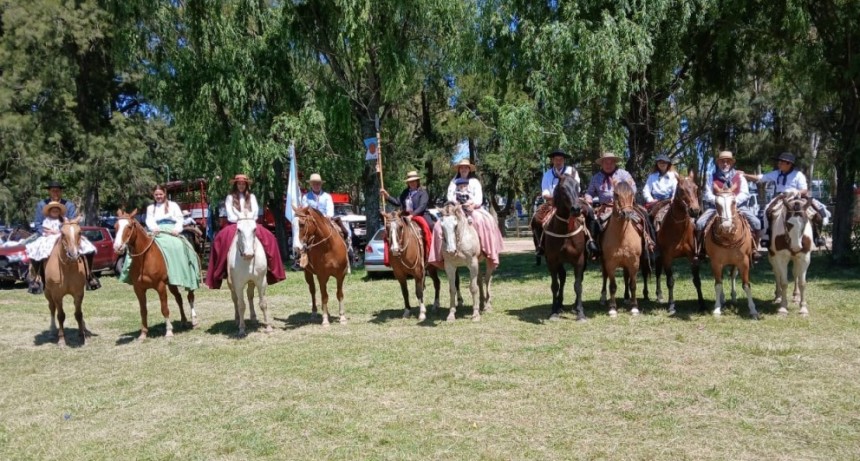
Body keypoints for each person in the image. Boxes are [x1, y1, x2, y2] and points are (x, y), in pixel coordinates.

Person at [204, 174, 285, 289]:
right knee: (220, 239)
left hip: (251, 222)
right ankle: (220, 271)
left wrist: (249, 218)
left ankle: (273, 270)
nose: (241, 186)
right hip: (235, 223)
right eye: (239, 184)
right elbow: (230, 214)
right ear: (236, 185)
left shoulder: (251, 197)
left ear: (246, 185)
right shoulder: (230, 197)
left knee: (270, 238)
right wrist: (241, 218)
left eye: (243, 184)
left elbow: (256, 211)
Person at [118, 184, 201, 289]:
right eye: (156, 194)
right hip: (156, 230)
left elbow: (180, 219)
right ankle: (131, 272)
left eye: (160, 194)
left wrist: (176, 229)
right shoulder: (151, 208)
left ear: (164, 193)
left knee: (178, 245)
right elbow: (149, 220)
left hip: (171, 229)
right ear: (153, 195)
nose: (158, 196)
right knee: (137, 246)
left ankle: (180, 273)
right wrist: (154, 228)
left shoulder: (173, 205)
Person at [429, 160, 504, 271]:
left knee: (481, 220)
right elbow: (450, 196)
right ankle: (440, 255)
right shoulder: (453, 182)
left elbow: (479, 197)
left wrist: (472, 204)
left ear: (469, 169)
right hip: (456, 209)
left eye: (466, 167)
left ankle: (485, 249)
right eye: (461, 168)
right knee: (438, 226)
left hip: (472, 208)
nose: (463, 169)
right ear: (459, 169)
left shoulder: (474, 182)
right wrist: (455, 205)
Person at [744, 152, 830, 247]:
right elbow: (761, 178)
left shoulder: (798, 175)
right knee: (767, 210)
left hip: (797, 197)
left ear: (789, 164)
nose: (779, 163)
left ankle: (817, 236)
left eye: (782, 162)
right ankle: (767, 234)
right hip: (781, 197)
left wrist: (796, 192)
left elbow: (804, 190)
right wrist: (744, 175)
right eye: (779, 161)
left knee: (818, 210)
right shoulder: (776, 173)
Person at [584, 152, 654, 259]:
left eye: (611, 162)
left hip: (625, 205)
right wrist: (588, 198)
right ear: (602, 164)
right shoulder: (596, 177)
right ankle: (594, 247)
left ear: (615, 163)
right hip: (605, 207)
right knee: (593, 222)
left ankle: (649, 244)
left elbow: (633, 188)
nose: (608, 165)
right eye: (606, 162)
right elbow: (590, 192)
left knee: (643, 216)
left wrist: (622, 193)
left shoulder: (624, 174)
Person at [695, 151, 761, 258]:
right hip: (716, 207)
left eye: (727, 161)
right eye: (722, 161)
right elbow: (707, 194)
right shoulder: (712, 177)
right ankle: (701, 249)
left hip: (738, 206)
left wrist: (732, 202)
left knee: (756, 222)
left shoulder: (740, 176)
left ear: (731, 163)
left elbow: (745, 193)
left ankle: (754, 249)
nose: (725, 164)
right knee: (699, 223)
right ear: (718, 163)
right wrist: (719, 201)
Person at [26, 201, 98, 293]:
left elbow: (70, 229)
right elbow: (45, 230)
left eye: (57, 209)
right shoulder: (47, 220)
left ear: (60, 211)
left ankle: (89, 275)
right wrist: (50, 232)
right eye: (53, 210)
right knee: (36, 249)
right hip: (49, 238)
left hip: (64, 237)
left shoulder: (65, 219)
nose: (55, 211)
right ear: (49, 211)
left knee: (89, 248)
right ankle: (37, 278)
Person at [533, 149, 581, 256]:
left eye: (561, 159)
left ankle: (590, 243)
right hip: (552, 202)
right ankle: (541, 245)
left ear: (564, 160)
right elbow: (545, 191)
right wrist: (551, 198)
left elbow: (577, 188)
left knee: (589, 213)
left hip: (572, 201)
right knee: (536, 218)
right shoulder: (547, 174)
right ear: (553, 161)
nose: (558, 162)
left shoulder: (572, 171)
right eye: (556, 159)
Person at [300, 173, 356, 262]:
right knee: (304, 234)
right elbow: (305, 209)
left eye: (318, 183)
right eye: (314, 183)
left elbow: (330, 209)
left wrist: (328, 216)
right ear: (311, 185)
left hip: (326, 220)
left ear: (321, 184)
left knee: (344, 231)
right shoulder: (306, 197)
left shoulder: (327, 196)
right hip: (311, 222)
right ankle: (302, 256)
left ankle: (348, 251)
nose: (316, 185)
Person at [380, 170, 434, 260]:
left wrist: (412, 215)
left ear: (417, 181)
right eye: (410, 182)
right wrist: (387, 196)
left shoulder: (423, 192)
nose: (412, 183)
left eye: (414, 181)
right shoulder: (405, 192)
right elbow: (398, 202)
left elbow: (422, 206)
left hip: (421, 214)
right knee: (391, 227)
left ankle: (432, 251)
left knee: (430, 226)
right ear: (408, 183)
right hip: (405, 215)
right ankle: (390, 255)